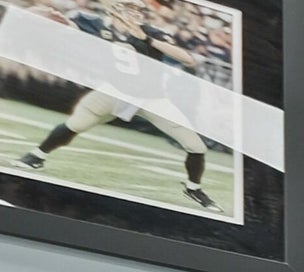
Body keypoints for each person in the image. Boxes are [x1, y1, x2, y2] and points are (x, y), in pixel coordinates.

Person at [18, 82, 217, 207]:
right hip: (116, 91)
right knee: (77, 123)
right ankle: (36, 156)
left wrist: (147, 38)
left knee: (196, 147)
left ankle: (193, 189)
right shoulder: (105, 27)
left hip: (153, 99)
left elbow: (186, 58)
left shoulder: (152, 34)